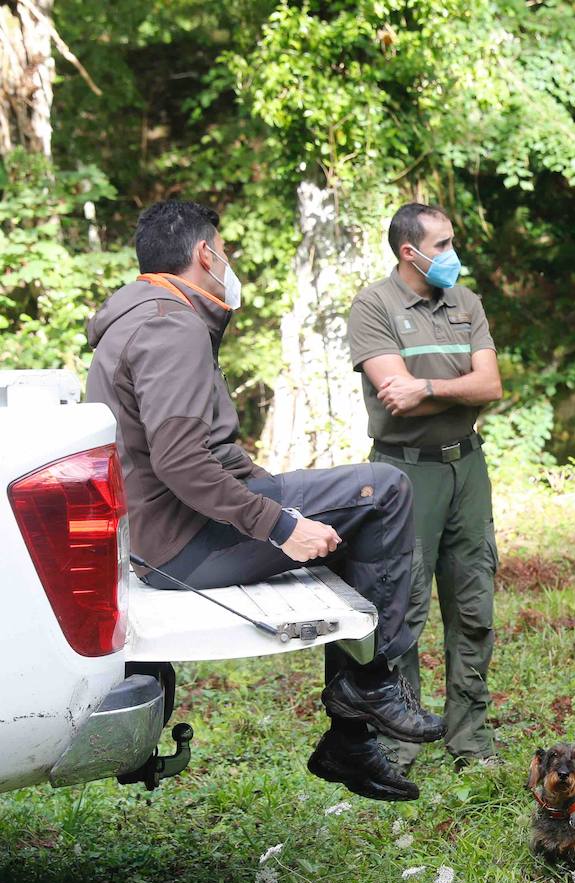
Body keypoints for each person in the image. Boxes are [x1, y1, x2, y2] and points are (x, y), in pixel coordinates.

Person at [85, 200, 443, 803]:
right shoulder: (170, 325)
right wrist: (280, 524)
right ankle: (370, 686)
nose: (226, 262)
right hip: (186, 545)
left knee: (351, 508)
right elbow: (179, 461)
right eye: (221, 249)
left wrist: (270, 491)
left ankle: (351, 738)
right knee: (383, 491)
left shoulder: (135, 320)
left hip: (163, 536)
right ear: (205, 254)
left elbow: (188, 449)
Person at [346, 203, 503, 774]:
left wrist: (430, 386)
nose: (452, 255)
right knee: (403, 606)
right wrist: (454, 386)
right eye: (442, 245)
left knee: (473, 603)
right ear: (409, 252)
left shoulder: (467, 303)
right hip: (402, 476)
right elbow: (395, 396)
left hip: (467, 469)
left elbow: (491, 384)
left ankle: (470, 739)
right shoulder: (374, 305)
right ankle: (402, 739)